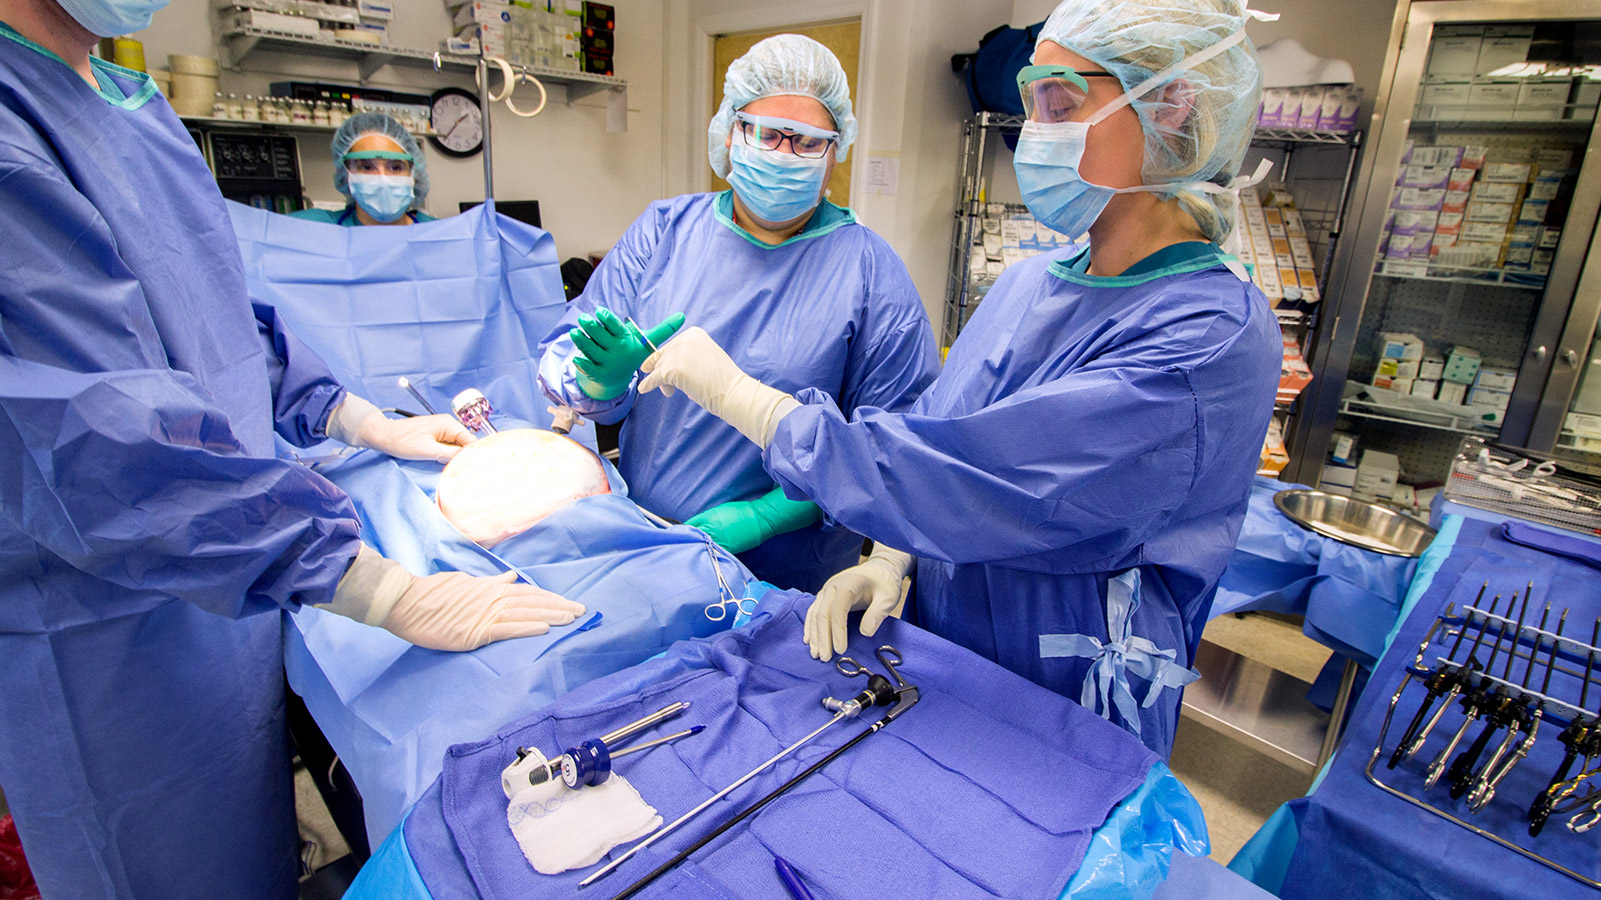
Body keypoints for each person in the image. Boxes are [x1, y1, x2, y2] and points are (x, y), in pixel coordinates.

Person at [0, 0, 585, 895]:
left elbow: (217, 318)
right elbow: (94, 434)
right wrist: (374, 585)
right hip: (104, 631)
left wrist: (357, 419)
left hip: (227, 585)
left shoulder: (132, 105)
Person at [636, 0, 1281, 757]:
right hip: (942, 648)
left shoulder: (1206, 338)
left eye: (1058, 100)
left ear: (1172, 110)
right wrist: (890, 558)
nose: (1032, 127)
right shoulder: (1029, 283)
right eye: (1031, 100)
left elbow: (983, 482)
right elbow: (931, 436)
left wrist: (742, 398)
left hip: (1068, 686)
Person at [536, 34, 939, 593]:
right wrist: (596, 382)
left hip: (786, 576)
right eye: (768, 134)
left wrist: (767, 516)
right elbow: (565, 353)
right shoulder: (664, 233)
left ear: (835, 152)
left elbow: (890, 448)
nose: (784, 154)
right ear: (731, 132)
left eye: (807, 143)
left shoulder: (870, 271)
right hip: (647, 545)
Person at [290, 111, 435, 226]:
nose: (382, 178)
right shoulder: (315, 228)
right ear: (346, 175)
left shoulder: (440, 235)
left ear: (414, 174)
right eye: (366, 167)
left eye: (396, 167)